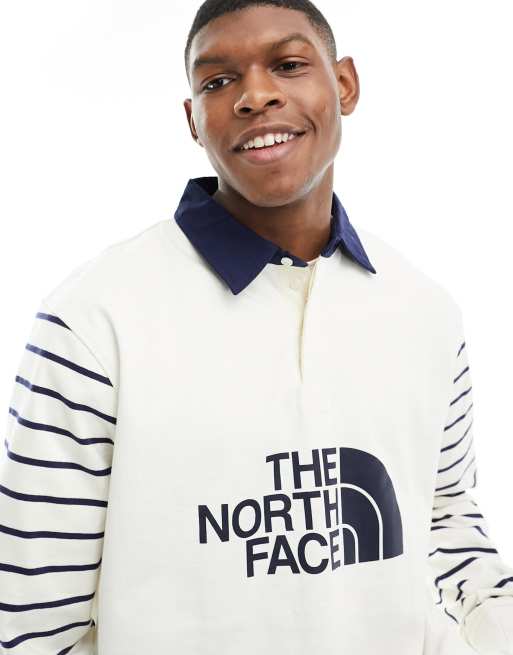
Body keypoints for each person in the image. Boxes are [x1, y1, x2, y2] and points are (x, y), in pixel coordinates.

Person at [1, 1, 512, 653]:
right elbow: (33, 614)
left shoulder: (425, 310)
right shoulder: (93, 320)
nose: (255, 95)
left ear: (344, 84)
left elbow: (443, 517)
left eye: (288, 64)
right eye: (218, 81)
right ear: (193, 120)